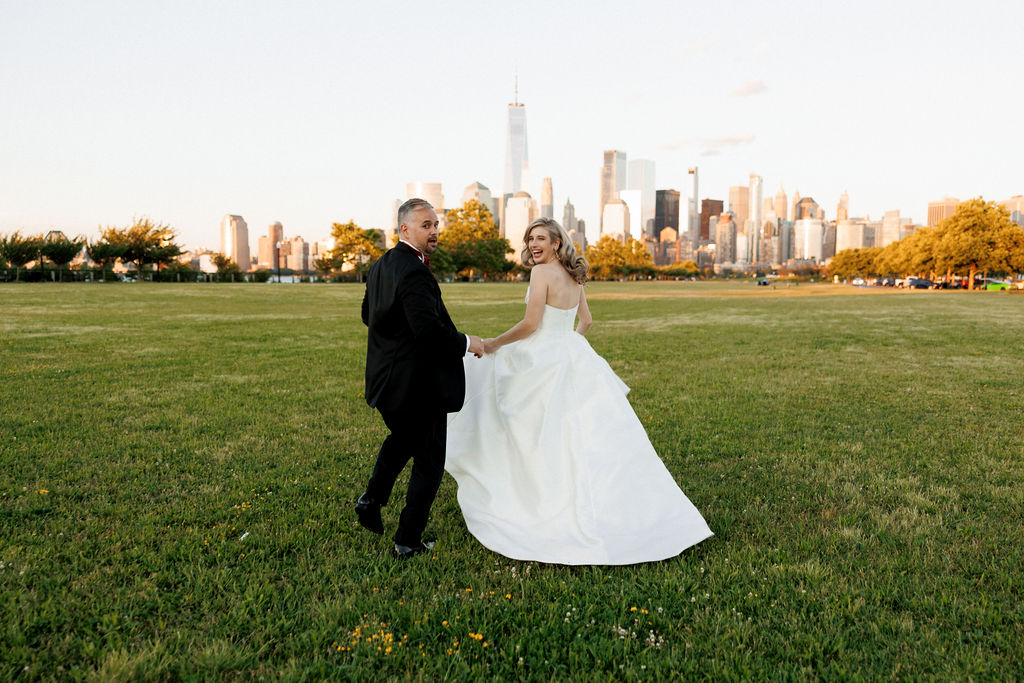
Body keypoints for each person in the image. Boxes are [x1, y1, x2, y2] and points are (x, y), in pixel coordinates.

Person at [445, 217, 712, 565]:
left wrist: (494, 343)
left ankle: (524, 493)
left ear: (557, 242)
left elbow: (530, 324)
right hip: (571, 353)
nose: (533, 245)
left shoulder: (541, 274)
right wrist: (568, 347)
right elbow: (585, 321)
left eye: (540, 238)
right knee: (582, 432)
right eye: (530, 239)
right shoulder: (574, 273)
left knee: (516, 413)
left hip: (541, 354)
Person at [357, 198, 485, 559]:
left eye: (435, 225)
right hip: (416, 387)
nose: (434, 231)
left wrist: (397, 341)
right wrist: (467, 342)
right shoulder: (413, 271)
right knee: (429, 463)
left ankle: (371, 500)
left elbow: (370, 314)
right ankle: (407, 541)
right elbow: (430, 333)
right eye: (426, 225)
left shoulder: (383, 264)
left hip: (386, 383)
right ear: (404, 229)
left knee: (403, 440)